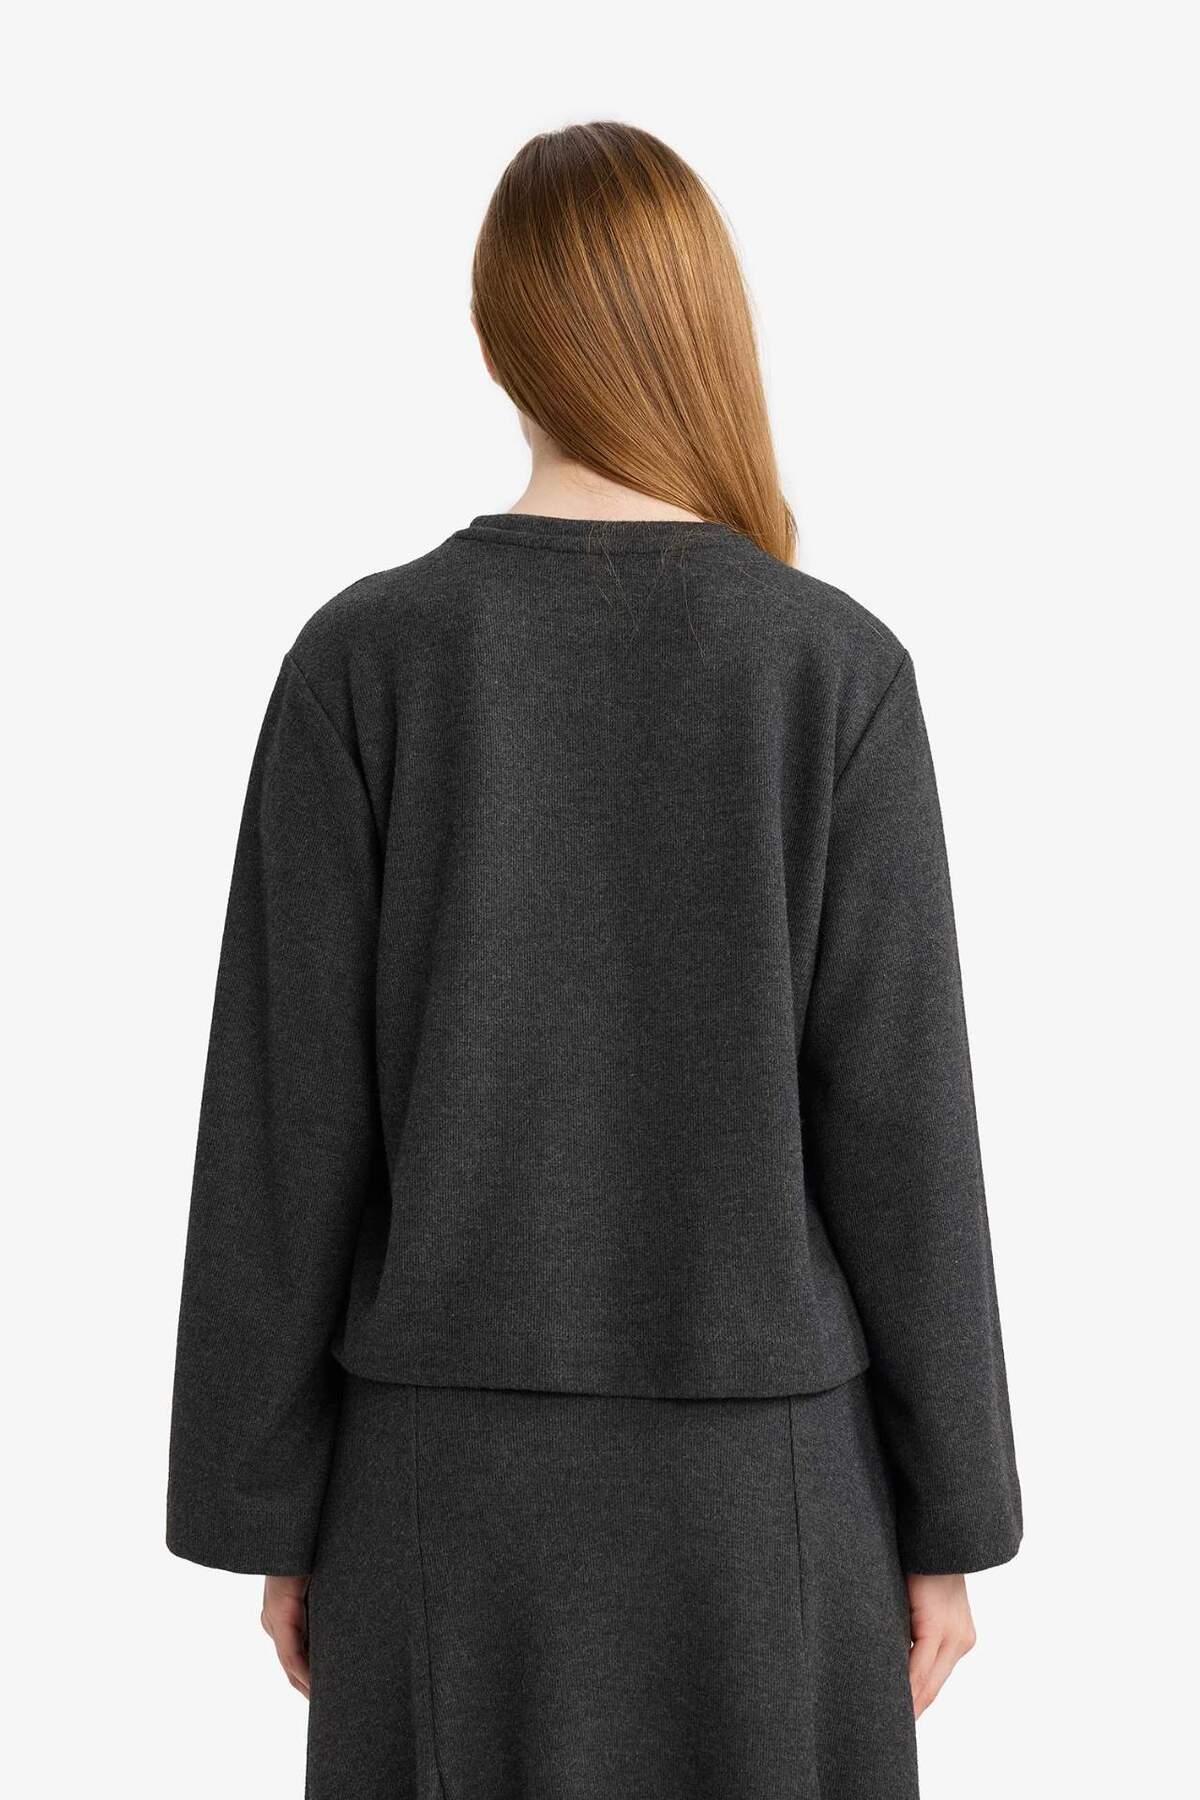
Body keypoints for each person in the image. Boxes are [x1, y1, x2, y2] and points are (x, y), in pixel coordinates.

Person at [167, 121, 1022, 1799]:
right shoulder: (830, 669)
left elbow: (283, 1121)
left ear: (498, 339)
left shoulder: (364, 662)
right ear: (706, 328)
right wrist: (952, 1519)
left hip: (438, 1502)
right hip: (765, 1505)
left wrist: (273, 1503)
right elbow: (903, 1131)